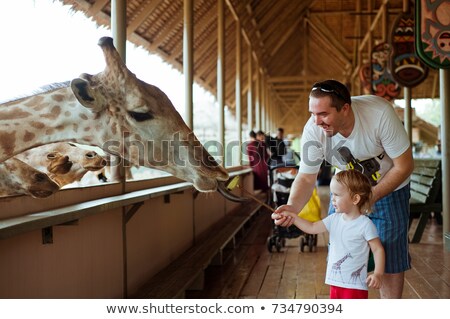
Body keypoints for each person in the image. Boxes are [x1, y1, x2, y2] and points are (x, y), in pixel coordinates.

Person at [273, 79, 413, 299]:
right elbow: (307, 177)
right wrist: (292, 207)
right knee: (343, 252)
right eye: (312, 114)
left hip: (390, 188)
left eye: (323, 114)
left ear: (345, 108)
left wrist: (370, 197)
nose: (316, 121)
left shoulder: (379, 114)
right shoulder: (313, 129)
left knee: (389, 255)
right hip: (345, 193)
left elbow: (404, 166)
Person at [272, 170, 385, 299]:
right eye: (332, 194)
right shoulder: (334, 219)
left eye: (337, 195)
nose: (332, 199)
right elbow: (312, 227)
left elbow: (378, 249)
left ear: (355, 198)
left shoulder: (365, 224)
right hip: (335, 282)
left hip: (355, 286)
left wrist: (378, 274)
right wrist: (293, 216)